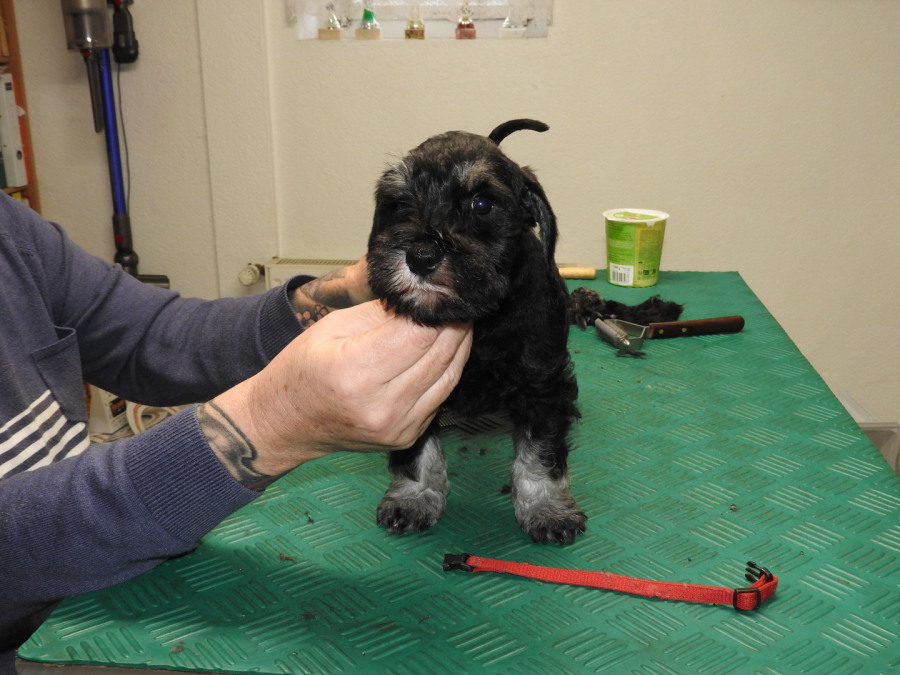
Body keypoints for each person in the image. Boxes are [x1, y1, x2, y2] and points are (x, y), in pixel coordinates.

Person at [0, 193, 473, 663]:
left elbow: (150, 334)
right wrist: (268, 424)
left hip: (92, 597)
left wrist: (341, 292)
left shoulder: (10, 228)